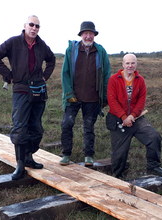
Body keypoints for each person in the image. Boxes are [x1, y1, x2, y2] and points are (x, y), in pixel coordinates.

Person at [0, 15, 56, 180]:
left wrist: (45, 76)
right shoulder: (13, 42)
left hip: (38, 91)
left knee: (36, 128)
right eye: (31, 25)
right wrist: (9, 75)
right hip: (21, 90)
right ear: (25, 26)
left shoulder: (41, 44)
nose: (34, 28)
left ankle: (28, 157)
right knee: (20, 128)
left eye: (37, 26)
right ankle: (20, 164)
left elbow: (52, 60)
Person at [106, 53, 162, 178]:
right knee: (120, 152)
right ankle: (118, 174)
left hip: (136, 118)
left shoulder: (140, 80)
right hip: (118, 119)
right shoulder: (113, 79)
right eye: (127, 63)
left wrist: (133, 115)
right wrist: (124, 117)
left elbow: (141, 100)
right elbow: (112, 101)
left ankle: (153, 167)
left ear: (136, 64)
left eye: (132, 63)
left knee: (154, 137)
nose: (130, 66)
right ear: (123, 64)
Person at [60, 21, 111, 166]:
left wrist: (105, 96)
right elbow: (65, 73)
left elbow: (107, 74)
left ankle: (88, 155)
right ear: (81, 34)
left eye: (91, 33)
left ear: (94, 35)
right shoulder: (72, 50)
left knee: (89, 126)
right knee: (66, 124)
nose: (88, 36)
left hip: (92, 97)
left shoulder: (100, 51)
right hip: (73, 97)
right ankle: (66, 154)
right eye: (85, 33)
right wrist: (68, 93)